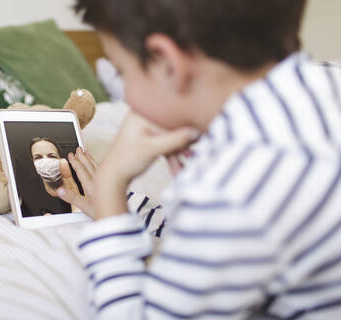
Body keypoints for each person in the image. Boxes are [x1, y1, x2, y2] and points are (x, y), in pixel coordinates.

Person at [53, 0, 341, 318]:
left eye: (121, 71)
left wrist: (110, 188)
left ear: (168, 63)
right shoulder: (326, 83)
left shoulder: (235, 184)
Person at [30, 137, 83, 213]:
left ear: (59, 158)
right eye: (38, 157)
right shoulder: (31, 190)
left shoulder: (78, 179)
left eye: (52, 156)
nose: (45, 161)